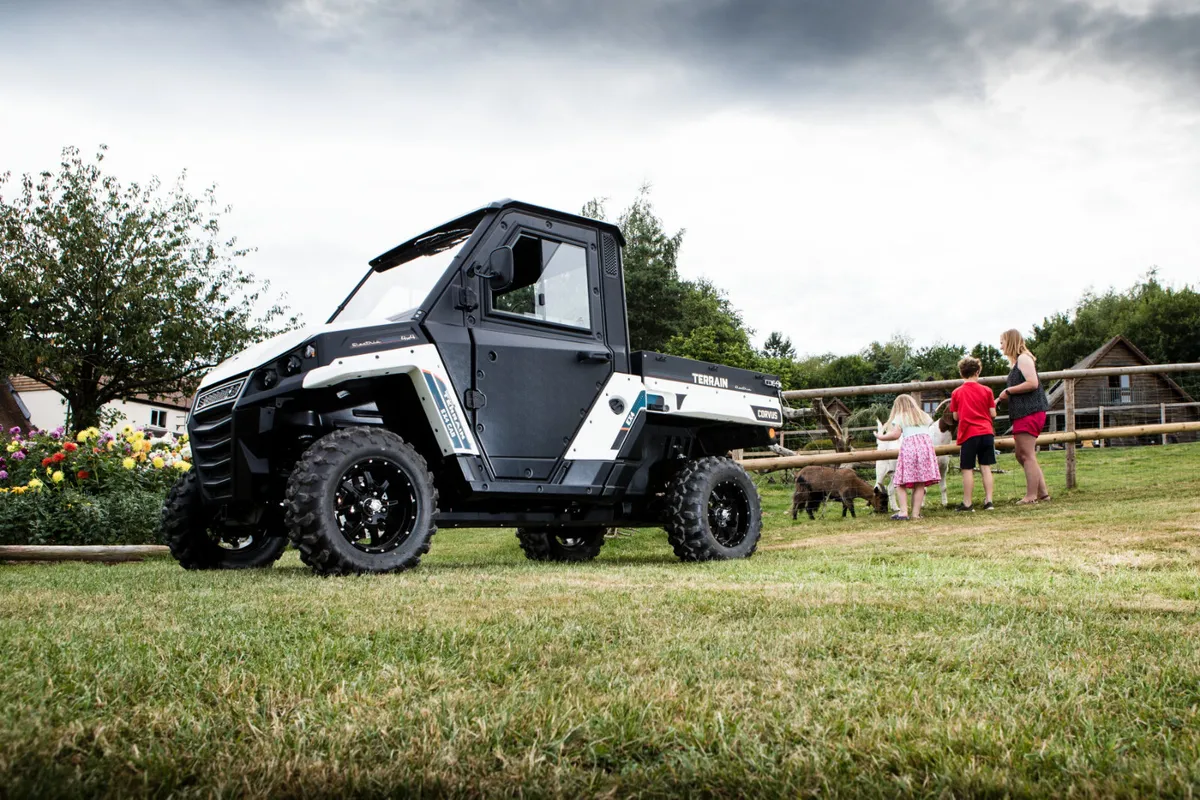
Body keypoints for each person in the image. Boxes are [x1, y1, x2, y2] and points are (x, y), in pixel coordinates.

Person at [997, 328, 1050, 504]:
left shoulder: (1023, 359)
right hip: (1022, 412)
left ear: (1010, 341)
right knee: (1021, 454)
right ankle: (1043, 493)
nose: (1001, 346)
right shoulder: (1016, 363)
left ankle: (1031, 495)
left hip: (1030, 411)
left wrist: (1008, 390)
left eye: (1002, 342)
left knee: (1027, 454)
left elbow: (1032, 383)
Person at [874, 394, 941, 521]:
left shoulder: (900, 417)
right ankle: (915, 514)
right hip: (925, 450)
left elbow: (896, 435)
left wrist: (881, 437)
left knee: (900, 482)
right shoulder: (924, 416)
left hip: (910, 450)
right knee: (920, 483)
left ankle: (903, 511)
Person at [949, 356, 996, 511]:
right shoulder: (987, 390)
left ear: (961, 373)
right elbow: (993, 413)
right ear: (977, 372)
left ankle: (967, 503)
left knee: (967, 468)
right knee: (985, 466)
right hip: (987, 432)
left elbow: (955, 416)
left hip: (969, 433)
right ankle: (989, 501)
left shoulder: (957, 392)